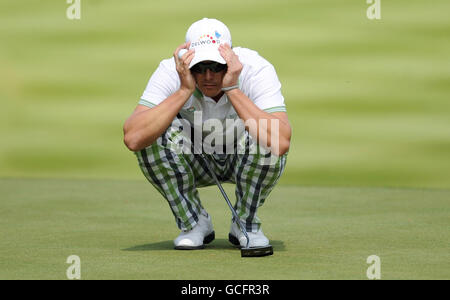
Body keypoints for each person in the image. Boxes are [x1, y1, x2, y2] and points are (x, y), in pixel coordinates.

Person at [123, 18, 291, 250]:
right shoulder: (171, 71)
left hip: (242, 157)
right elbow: (133, 137)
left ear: (231, 60)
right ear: (187, 62)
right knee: (153, 136)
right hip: (197, 159)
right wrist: (184, 89)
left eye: (217, 66)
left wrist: (232, 88)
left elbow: (280, 141)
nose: (209, 76)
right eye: (200, 68)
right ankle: (194, 223)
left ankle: (246, 224)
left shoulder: (256, 68)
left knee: (265, 135)